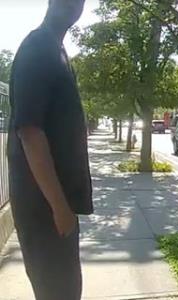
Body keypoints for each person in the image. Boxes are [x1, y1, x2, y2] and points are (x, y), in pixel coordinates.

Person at [7, 0, 92, 299]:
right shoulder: (38, 48)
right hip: (44, 208)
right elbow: (29, 131)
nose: (74, 5)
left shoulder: (55, 50)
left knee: (65, 290)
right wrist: (59, 208)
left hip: (56, 205)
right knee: (59, 292)